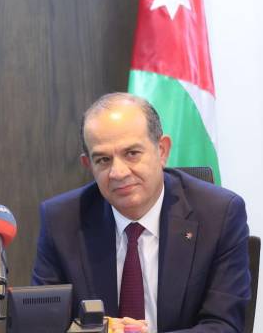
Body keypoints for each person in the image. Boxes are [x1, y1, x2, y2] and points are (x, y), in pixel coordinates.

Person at [31, 93, 250, 333]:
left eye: (132, 153)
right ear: (89, 165)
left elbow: (223, 326)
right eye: (103, 160)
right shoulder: (61, 220)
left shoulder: (219, 214)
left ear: (162, 150)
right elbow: (41, 324)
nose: (118, 172)